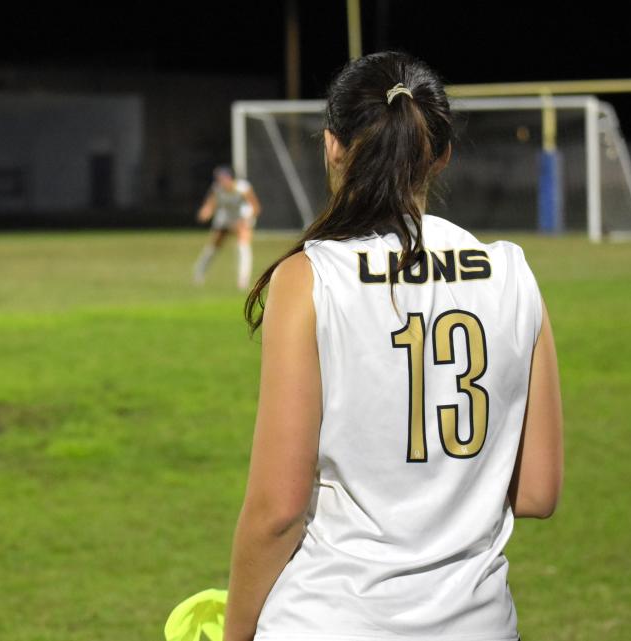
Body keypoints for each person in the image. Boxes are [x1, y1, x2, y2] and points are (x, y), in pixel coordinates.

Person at [224, 52, 563, 641]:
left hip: (333, 619)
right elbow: (536, 491)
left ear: (333, 147)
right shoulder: (514, 272)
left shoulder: (312, 278)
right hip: (477, 625)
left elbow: (278, 511)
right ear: (441, 155)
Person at [193, 166, 262, 289]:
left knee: (243, 246)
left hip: (242, 217)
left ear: (231, 179)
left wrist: (246, 220)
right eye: (219, 179)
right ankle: (199, 273)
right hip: (225, 218)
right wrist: (205, 213)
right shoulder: (217, 189)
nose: (221, 181)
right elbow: (210, 205)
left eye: (223, 178)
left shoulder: (243, 188)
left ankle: (243, 281)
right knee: (213, 247)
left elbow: (255, 207)